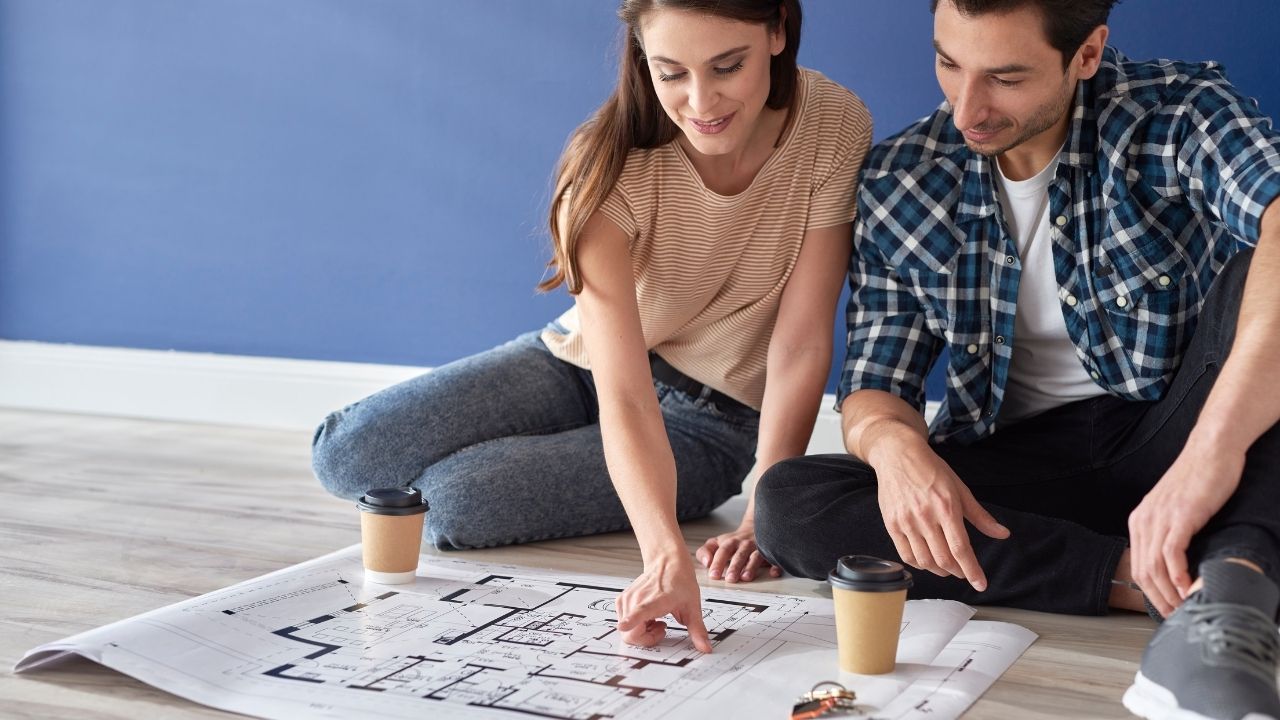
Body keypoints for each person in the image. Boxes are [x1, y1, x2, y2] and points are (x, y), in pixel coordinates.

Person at [753, 1, 1280, 718]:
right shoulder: (902, 178)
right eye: (948, 63)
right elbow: (877, 381)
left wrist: (1208, 456)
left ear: (1086, 54)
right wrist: (896, 449)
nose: (967, 107)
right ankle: (1179, 588)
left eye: (1004, 77)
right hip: (1021, 467)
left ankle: (1235, 594)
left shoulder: (1178, 113)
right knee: (789, 503)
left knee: (1267, 277)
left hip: (1173, 430)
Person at [311, 0, 871, 654]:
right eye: (671, 73)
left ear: (778, 30)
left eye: (727, 66)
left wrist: (764, 512)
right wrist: (666, 554)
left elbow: (801, 340)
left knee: (454, 504)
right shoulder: (606, 168)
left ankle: (588, 466)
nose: (701, 100)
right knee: (346, 450)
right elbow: (625, 391)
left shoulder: (832, 123)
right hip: (580, 365)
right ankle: (592, 459)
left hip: (709, 424)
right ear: (641, 58)